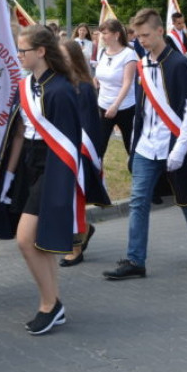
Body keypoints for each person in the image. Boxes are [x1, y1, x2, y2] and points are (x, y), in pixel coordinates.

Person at [0, 25, 86, 334]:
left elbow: (68, 145)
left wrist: (60, 184)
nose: (18, 56)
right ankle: (54, 303)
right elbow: (18, 133)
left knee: (26, 240)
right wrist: (9, 174)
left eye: (23, 51)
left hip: (52, 166)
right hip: (29, 162)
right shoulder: (26, 85)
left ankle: (48, 305)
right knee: (36, 243)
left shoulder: (62, 90)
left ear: (41, 52)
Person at [103, 8, 187, 281]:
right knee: (139, 201)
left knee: (186, 200)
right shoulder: (142, 63)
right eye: (138, 36)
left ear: (159, 31)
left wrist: (179, 150)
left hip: (173, 143)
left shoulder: (177, 63)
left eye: (146, 35)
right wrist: (132, 144)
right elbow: (141, 110)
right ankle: (135, 260)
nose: (142, 41)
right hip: (146, 146)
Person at [59, 39, 111, 266]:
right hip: (59, 147)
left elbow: (88, 125)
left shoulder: (85, 87)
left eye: (64, 55)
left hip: (77, 150)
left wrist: (82, 153)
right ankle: (84, 230)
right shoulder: (59, 84)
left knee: (74, 198)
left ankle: (76, 246)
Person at [95, 18, 138, 157]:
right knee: (98, 147)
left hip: (125, 107)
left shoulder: (128, 54)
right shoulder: (102, 52)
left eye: (105, 33)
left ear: (117, 34)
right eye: (101, 33)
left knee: (131, 146)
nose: (102, 36)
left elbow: (127, 82)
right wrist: (95, 80)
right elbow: (100, 74)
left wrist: (115, 105)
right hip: (103, 106)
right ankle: (96, 177)